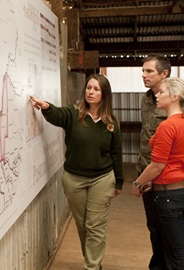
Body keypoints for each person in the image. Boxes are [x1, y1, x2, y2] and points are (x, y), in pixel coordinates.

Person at [30, 74, 123, 270]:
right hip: (74, 179)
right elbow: (57, 114)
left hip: (102, 179)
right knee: (83, 226)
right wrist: (47, 107)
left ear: (104, 94)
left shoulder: (111, 122)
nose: (91, 92)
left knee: (95, 226)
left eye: (96, 89)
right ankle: (94, 262)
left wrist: (119, 181)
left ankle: (91, 267)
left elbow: (116, 152)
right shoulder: (74, 114)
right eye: (89, 88)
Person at [131, 77, 184, 269]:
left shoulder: (168, 125)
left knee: (177, 254)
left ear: (175, 97)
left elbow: (157, 165)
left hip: (170, 196)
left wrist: (138, 183)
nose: (157, 94)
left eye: (162, 91)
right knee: (180, 250)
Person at [137, 54, 172, 270]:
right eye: (143, 71)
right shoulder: (146, 98)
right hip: (147, 173)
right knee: (154, 228)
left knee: (168, 231)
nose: (144, 75)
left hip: (165, 177)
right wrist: (142, 175)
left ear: (164, 73)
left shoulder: (175, 98)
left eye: (149, 71)